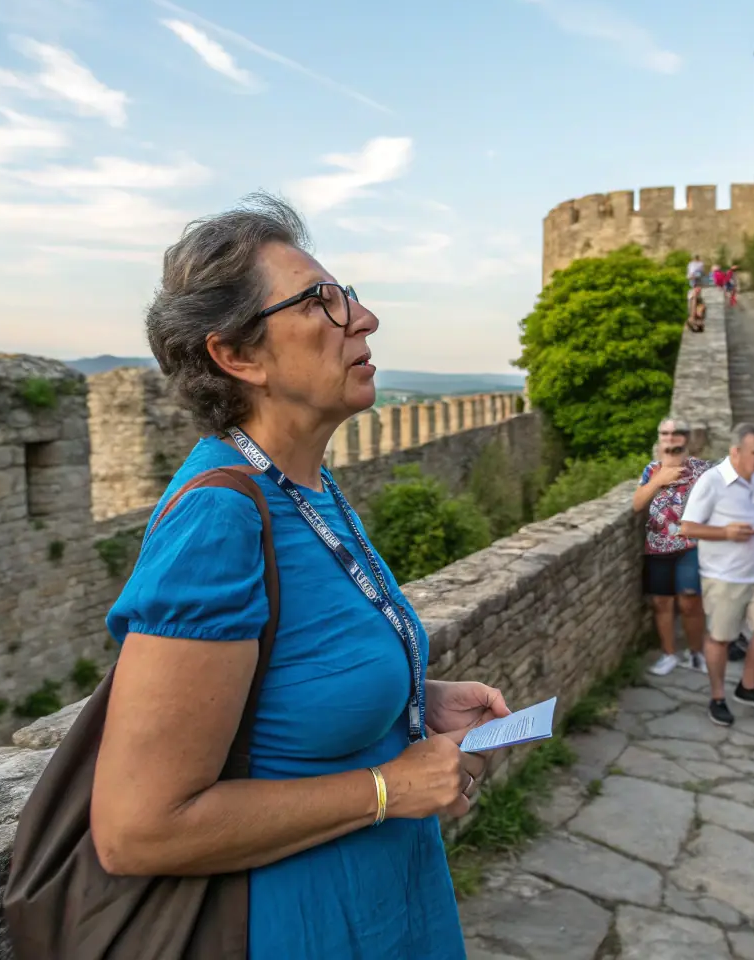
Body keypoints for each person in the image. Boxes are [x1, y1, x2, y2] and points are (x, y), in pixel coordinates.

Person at [91, 193, 504, 959]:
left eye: (345, 294)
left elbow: (289, 680)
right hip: (301, 929)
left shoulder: (305, 487)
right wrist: (392, 787)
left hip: (388, 912)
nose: (364, 318)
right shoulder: (219, 519)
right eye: (322, 302)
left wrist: (411, 695)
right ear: (237, 356)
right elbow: (137, 829)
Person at [680, 423, 754, 727]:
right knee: (721, 639)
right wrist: (725, 532)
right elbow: (687, 528)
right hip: (726, 578)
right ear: (735, 452)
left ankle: (748, 687)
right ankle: (717, 697)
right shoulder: (711, 482)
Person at [634, 418, 712, 677]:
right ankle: (669, 654)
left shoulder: (702, 470)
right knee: (661, 602)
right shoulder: (651, 470)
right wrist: (658, 481)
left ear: (686, 438)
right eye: (665, 433)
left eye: (676, 433)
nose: (670, 437)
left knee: (690, 600)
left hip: (691, 545)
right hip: (657, 546)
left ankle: (696, 653)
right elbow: (637, 504)